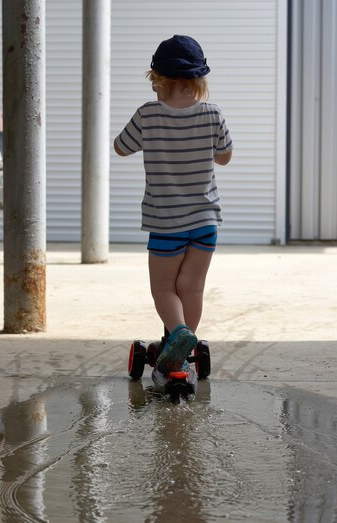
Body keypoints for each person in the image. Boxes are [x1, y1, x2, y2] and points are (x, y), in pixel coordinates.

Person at [114, 35, 233, 375]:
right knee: (191, 288)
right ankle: (179, 352)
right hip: (205, 219)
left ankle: (177, 334)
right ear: (200, 80)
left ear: (157, 80)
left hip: (166, 221)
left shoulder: (148, 114)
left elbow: (121, 147)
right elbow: (224, 158)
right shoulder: (213, 113)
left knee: (164, 288)